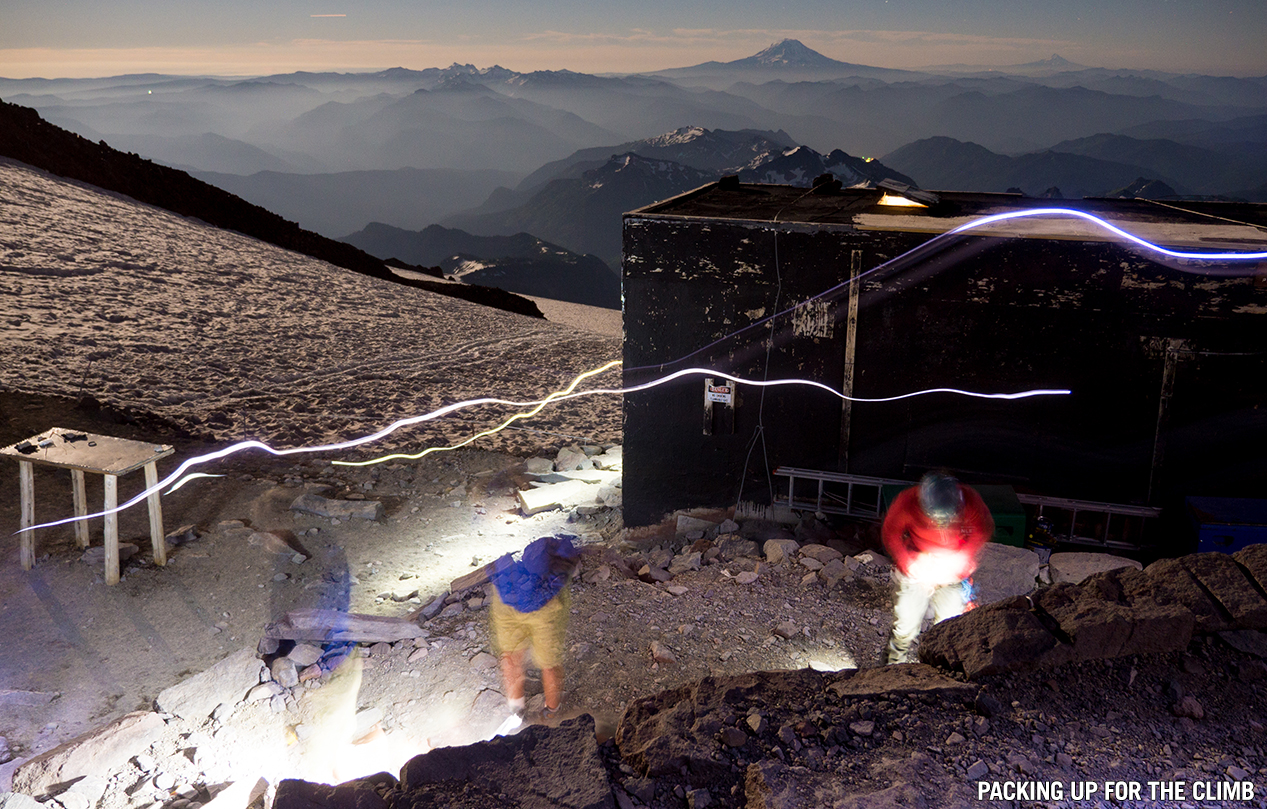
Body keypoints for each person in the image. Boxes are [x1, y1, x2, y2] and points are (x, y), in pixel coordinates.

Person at [881, 471, 994, 664]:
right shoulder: (907, 502)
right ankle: (893, 664)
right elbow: (891, 532)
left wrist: (963, 557)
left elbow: (981, 530)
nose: (941, 526)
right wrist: (908, 561)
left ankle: (939, 667)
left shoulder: (970, 501)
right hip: (918, 563)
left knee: (949, 624)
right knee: (906, 621)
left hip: (952, 568)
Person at [488, 534, 580, 722]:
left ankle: (550, 714)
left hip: (545, 605)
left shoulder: (550, 525)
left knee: (549, 662)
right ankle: (516, 714)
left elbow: (566, 554)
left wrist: (545, 590)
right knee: (510, 657)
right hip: (506, 599)